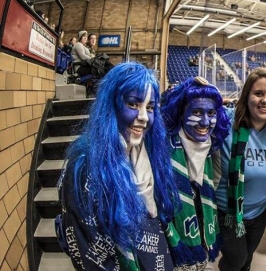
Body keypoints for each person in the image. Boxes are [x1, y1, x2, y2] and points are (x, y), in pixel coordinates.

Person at [56, 62, 179, 270]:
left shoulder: (148, 152)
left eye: (149, 107)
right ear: (111, 105)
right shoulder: (84, 163)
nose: (143, 117)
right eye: (133, 104)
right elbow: (89, 252)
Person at [215, 67, 266, 271]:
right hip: (228, 213)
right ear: (247, 96)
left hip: (258, 214)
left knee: (246, 261)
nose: (265, 100)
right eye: (258, 93)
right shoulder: (227, 123)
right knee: (235, 261)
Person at [160, 76, 231, 270]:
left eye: (211, 113)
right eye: (197, 112)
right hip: (170, 241)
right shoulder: (163, 144)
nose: (205, 121)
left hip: (202, 235)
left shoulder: (212, 145)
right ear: (181, 113)